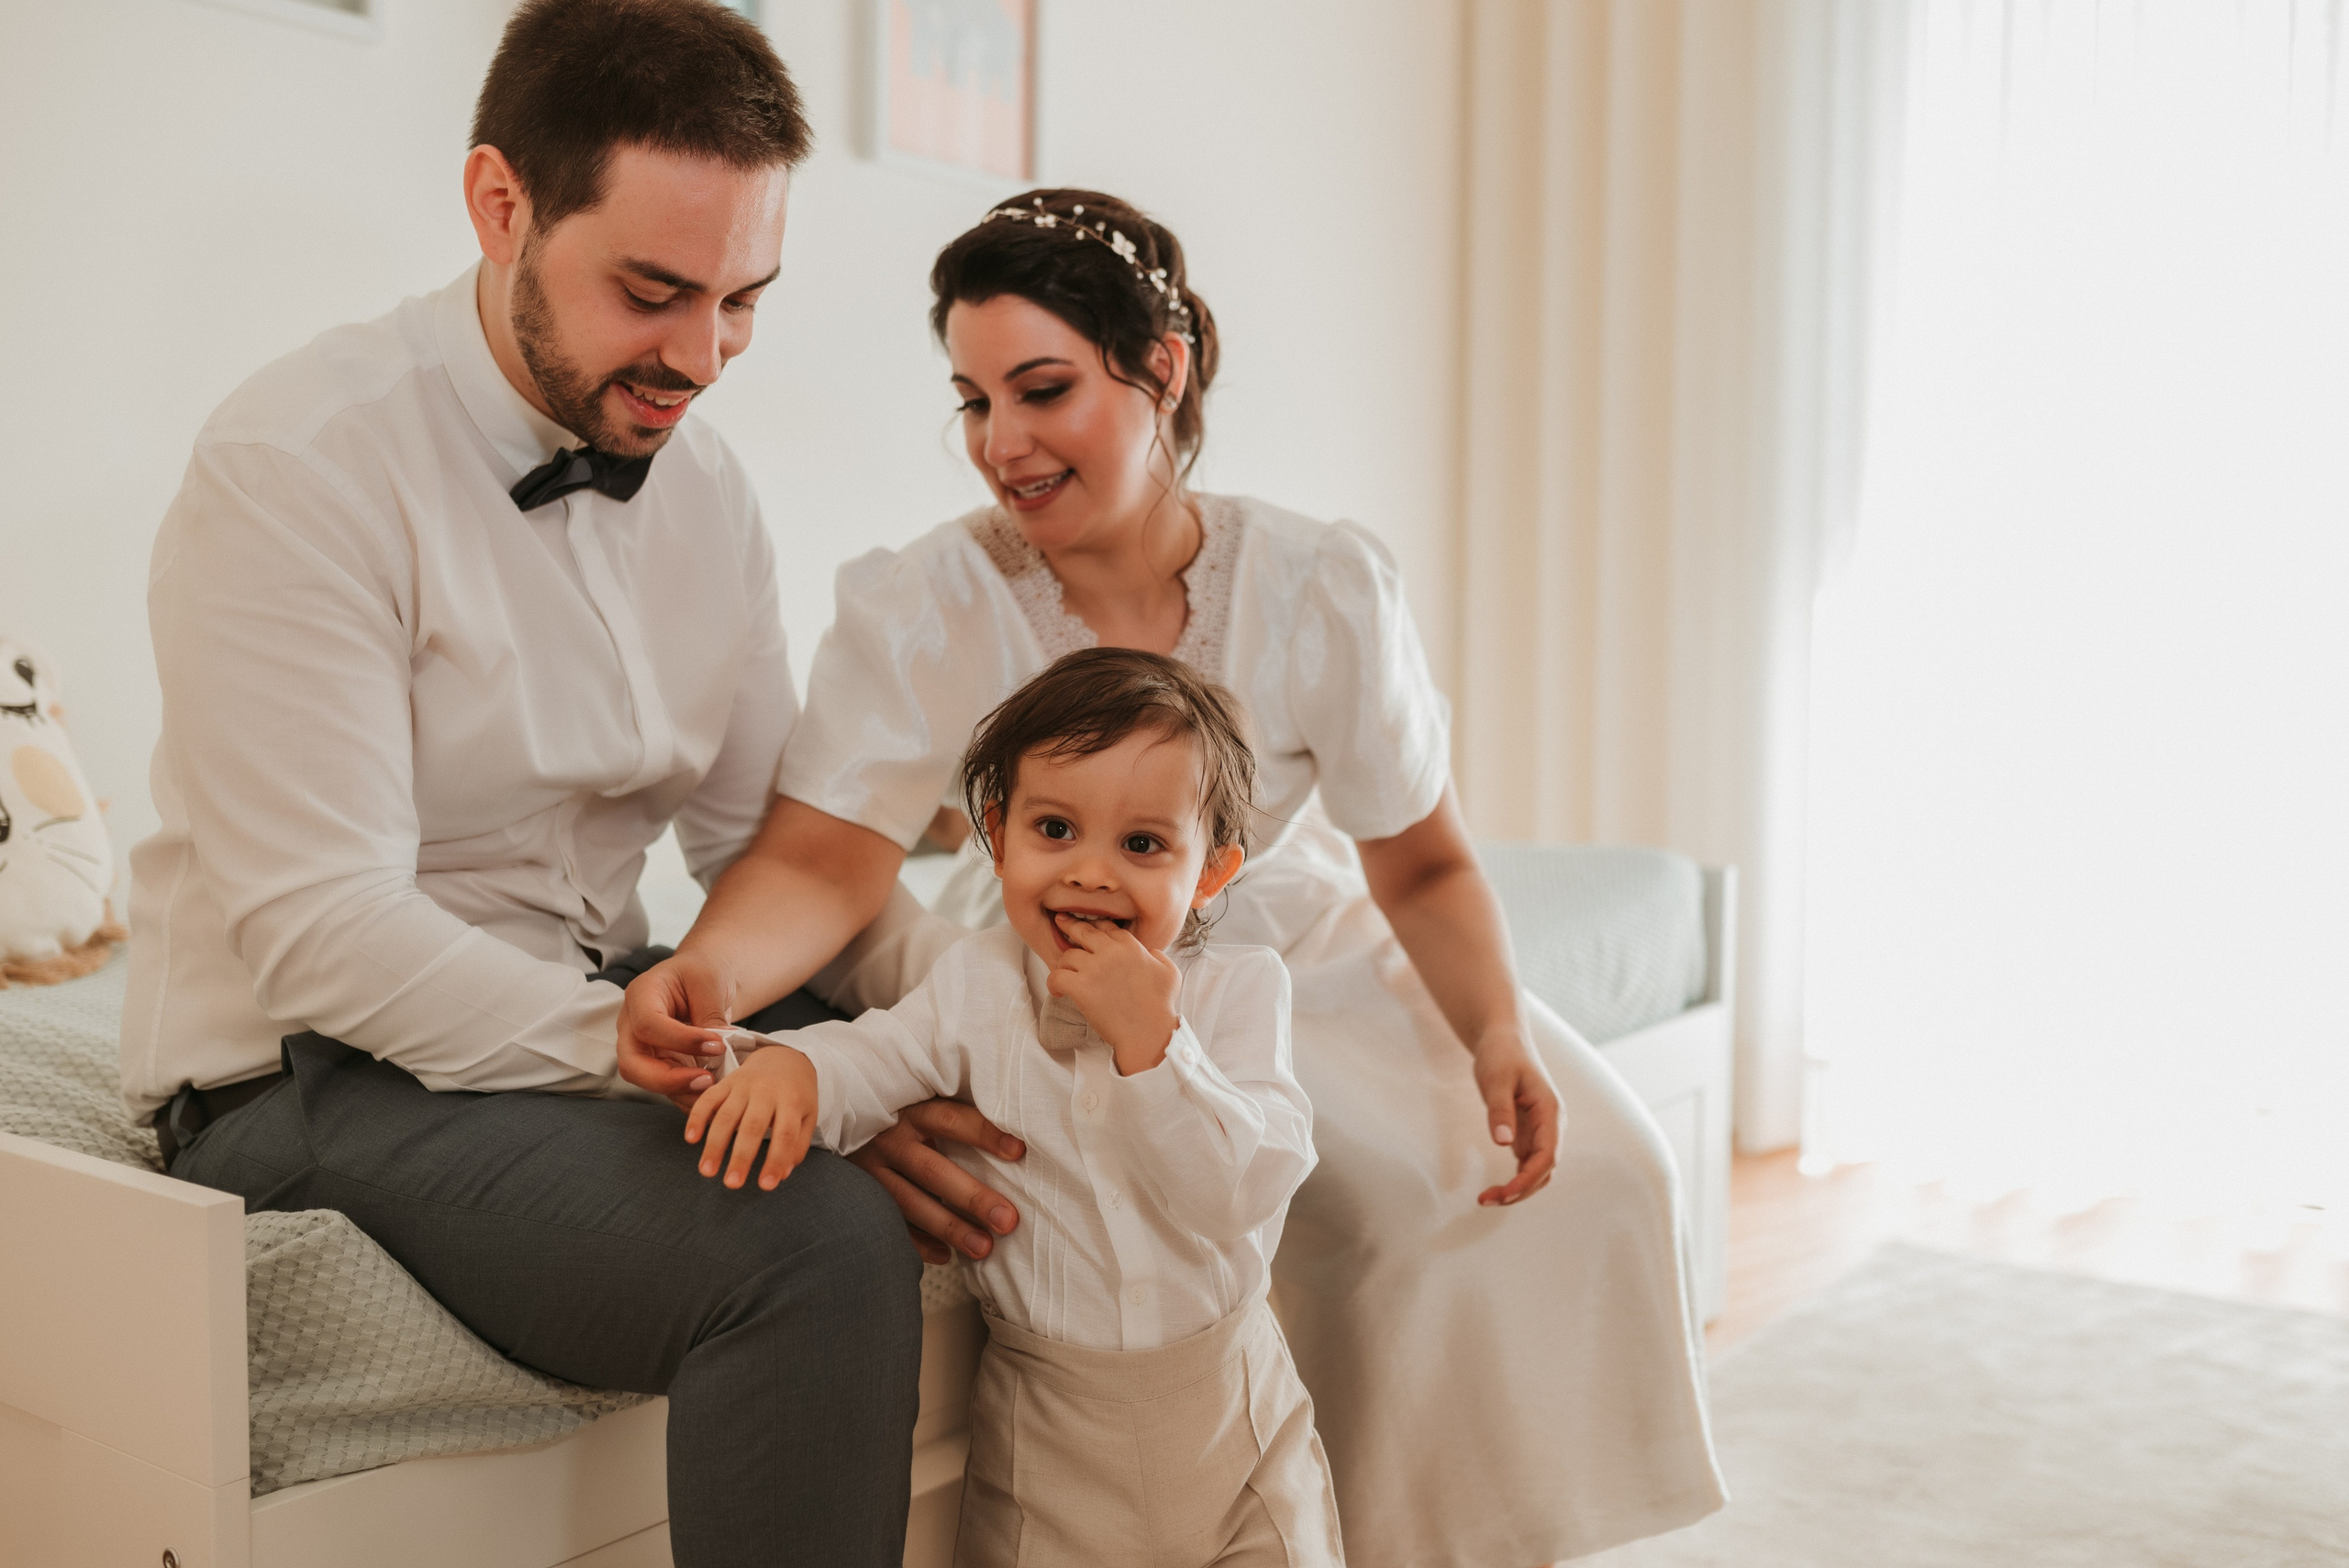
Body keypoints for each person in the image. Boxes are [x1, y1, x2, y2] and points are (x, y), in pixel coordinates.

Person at [619, 189, 1727, 1565]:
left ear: (1164, 370)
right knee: (1375, 1222)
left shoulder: (1319, 586)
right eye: (971, 401)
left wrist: (1496, 1025)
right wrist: (706, 979)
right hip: (1072, 958)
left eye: (1042, 390)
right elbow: (820, 863)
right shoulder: (927, 606)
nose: (1001, 444)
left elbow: (1428, 864)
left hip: (1295, 952)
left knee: (1610, 1170)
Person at [120, 5, 921, 1563]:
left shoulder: (712, 491)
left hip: (589, 999)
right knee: (812, 1242)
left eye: (744, 300)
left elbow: (776, 840)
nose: (702, 357)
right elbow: (322, 934)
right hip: (305, 1070)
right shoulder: (300, 463)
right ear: (501, 205)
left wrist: (978, 1018)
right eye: (654, 291)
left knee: (977, 1083)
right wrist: (650, 1057)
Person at [676, 649, 1343, 1567]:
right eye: (1056, 828)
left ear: (1211, 872)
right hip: (1052, 1445)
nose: (1093, 873)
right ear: (998, 835)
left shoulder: (1237, 992)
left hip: (1234, 1429)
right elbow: (875, 1057)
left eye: (1143, 844)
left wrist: (1157, 1046)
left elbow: (1243, 1188)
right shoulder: (974, 984)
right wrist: (795, 1069)